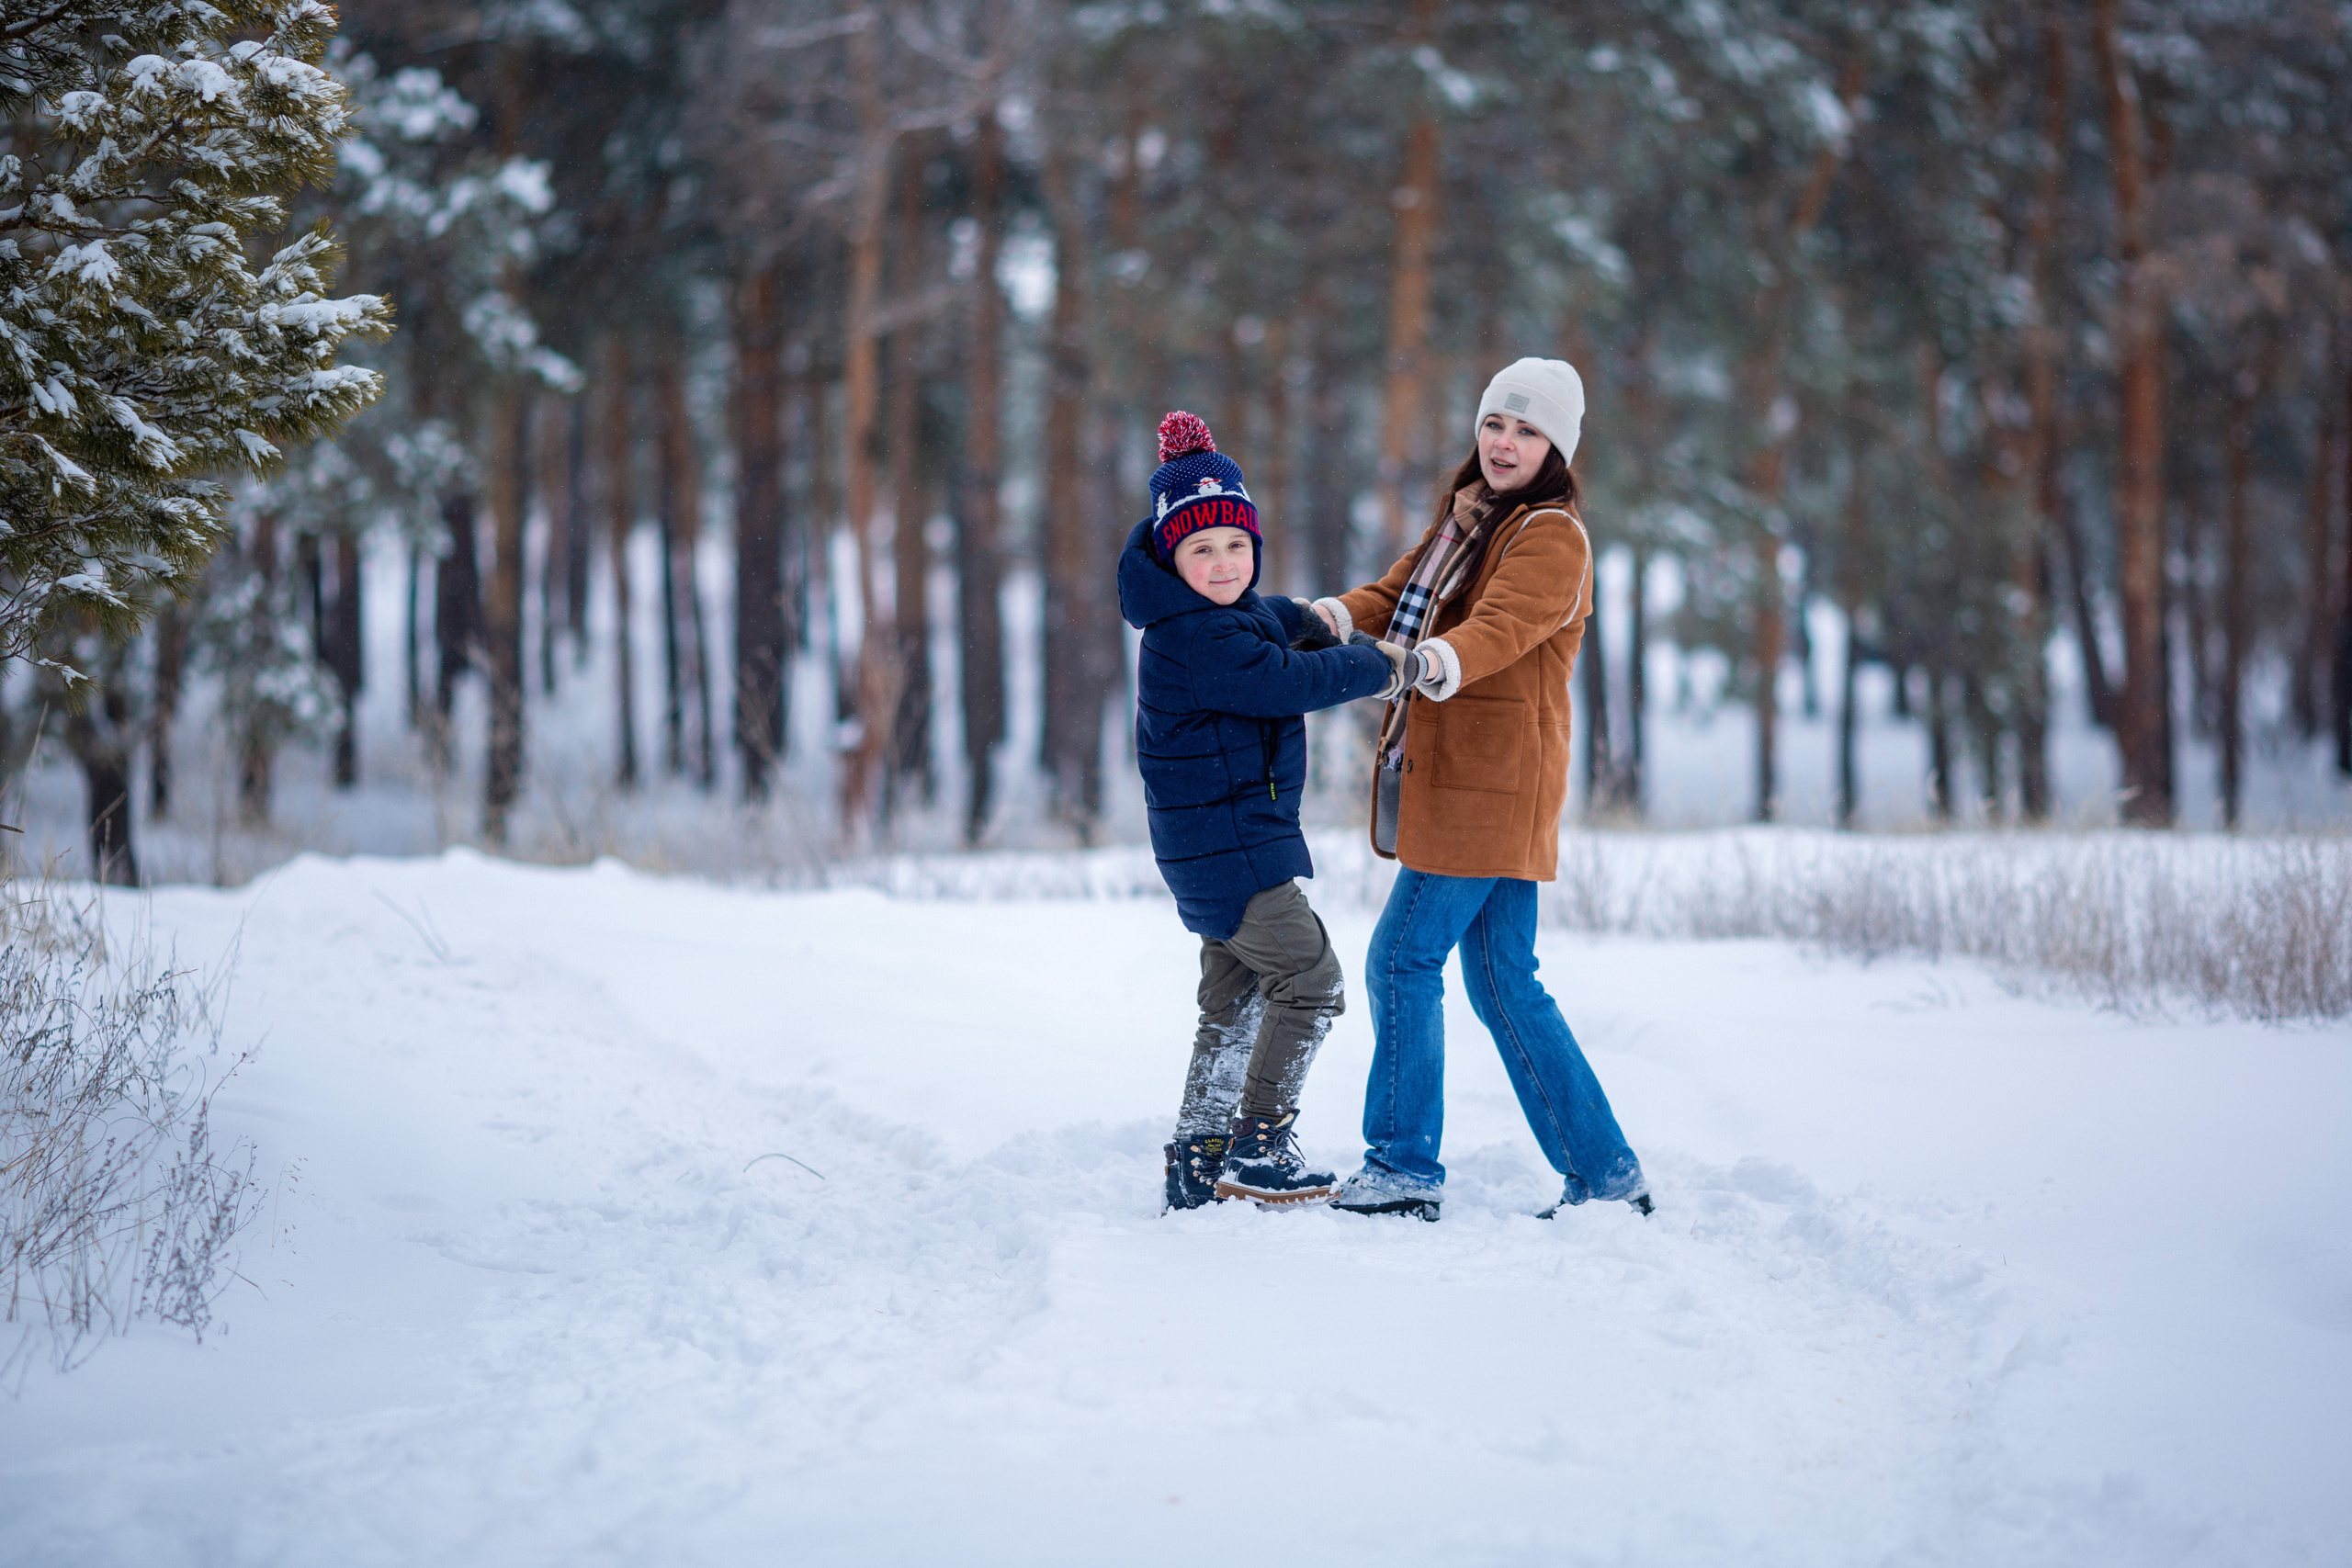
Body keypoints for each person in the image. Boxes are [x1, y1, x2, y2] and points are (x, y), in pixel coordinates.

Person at [1306, 358, 1651, 1224]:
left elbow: (1501, 627)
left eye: (1527, 431)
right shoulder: (1470, 517)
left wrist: (1434, 662)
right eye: (1496, 423)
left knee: (1400, 959)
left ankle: (1402, 1166)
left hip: (1490, 789)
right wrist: (1327, 618)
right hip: (1474, 784)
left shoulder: (1551, 536)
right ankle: (1604, 1173)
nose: (1504, 443)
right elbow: (1398, 596)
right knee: (1504, 983)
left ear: (1556, 447)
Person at [1118, 412, 1411, 1212]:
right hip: (1235, 845)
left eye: (1236, 545)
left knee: (1234, 997)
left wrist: (1322, 620)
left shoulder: (1215, 615)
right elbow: (1288, 681)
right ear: (1171, 557)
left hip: (1212, 844)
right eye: (1200, 549)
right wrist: (1376, 667)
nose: (1222, 563)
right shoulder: (1195, 639)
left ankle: (1199, 1153)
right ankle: (1259, 1142)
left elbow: (1276, 621)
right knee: (1311, 980)